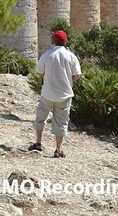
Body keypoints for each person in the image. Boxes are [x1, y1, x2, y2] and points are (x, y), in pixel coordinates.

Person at [29, 29, 82, 158]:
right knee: (61, 122)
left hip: (47, 93)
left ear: (54, 40)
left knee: (40, 117)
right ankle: (58, 150)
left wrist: (47, 78)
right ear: (66, 41)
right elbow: (77, 75)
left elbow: (40, 72)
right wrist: (67, 80)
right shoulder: (71, 56)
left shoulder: (47, 54)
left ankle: (38, 143)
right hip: (64, 94)